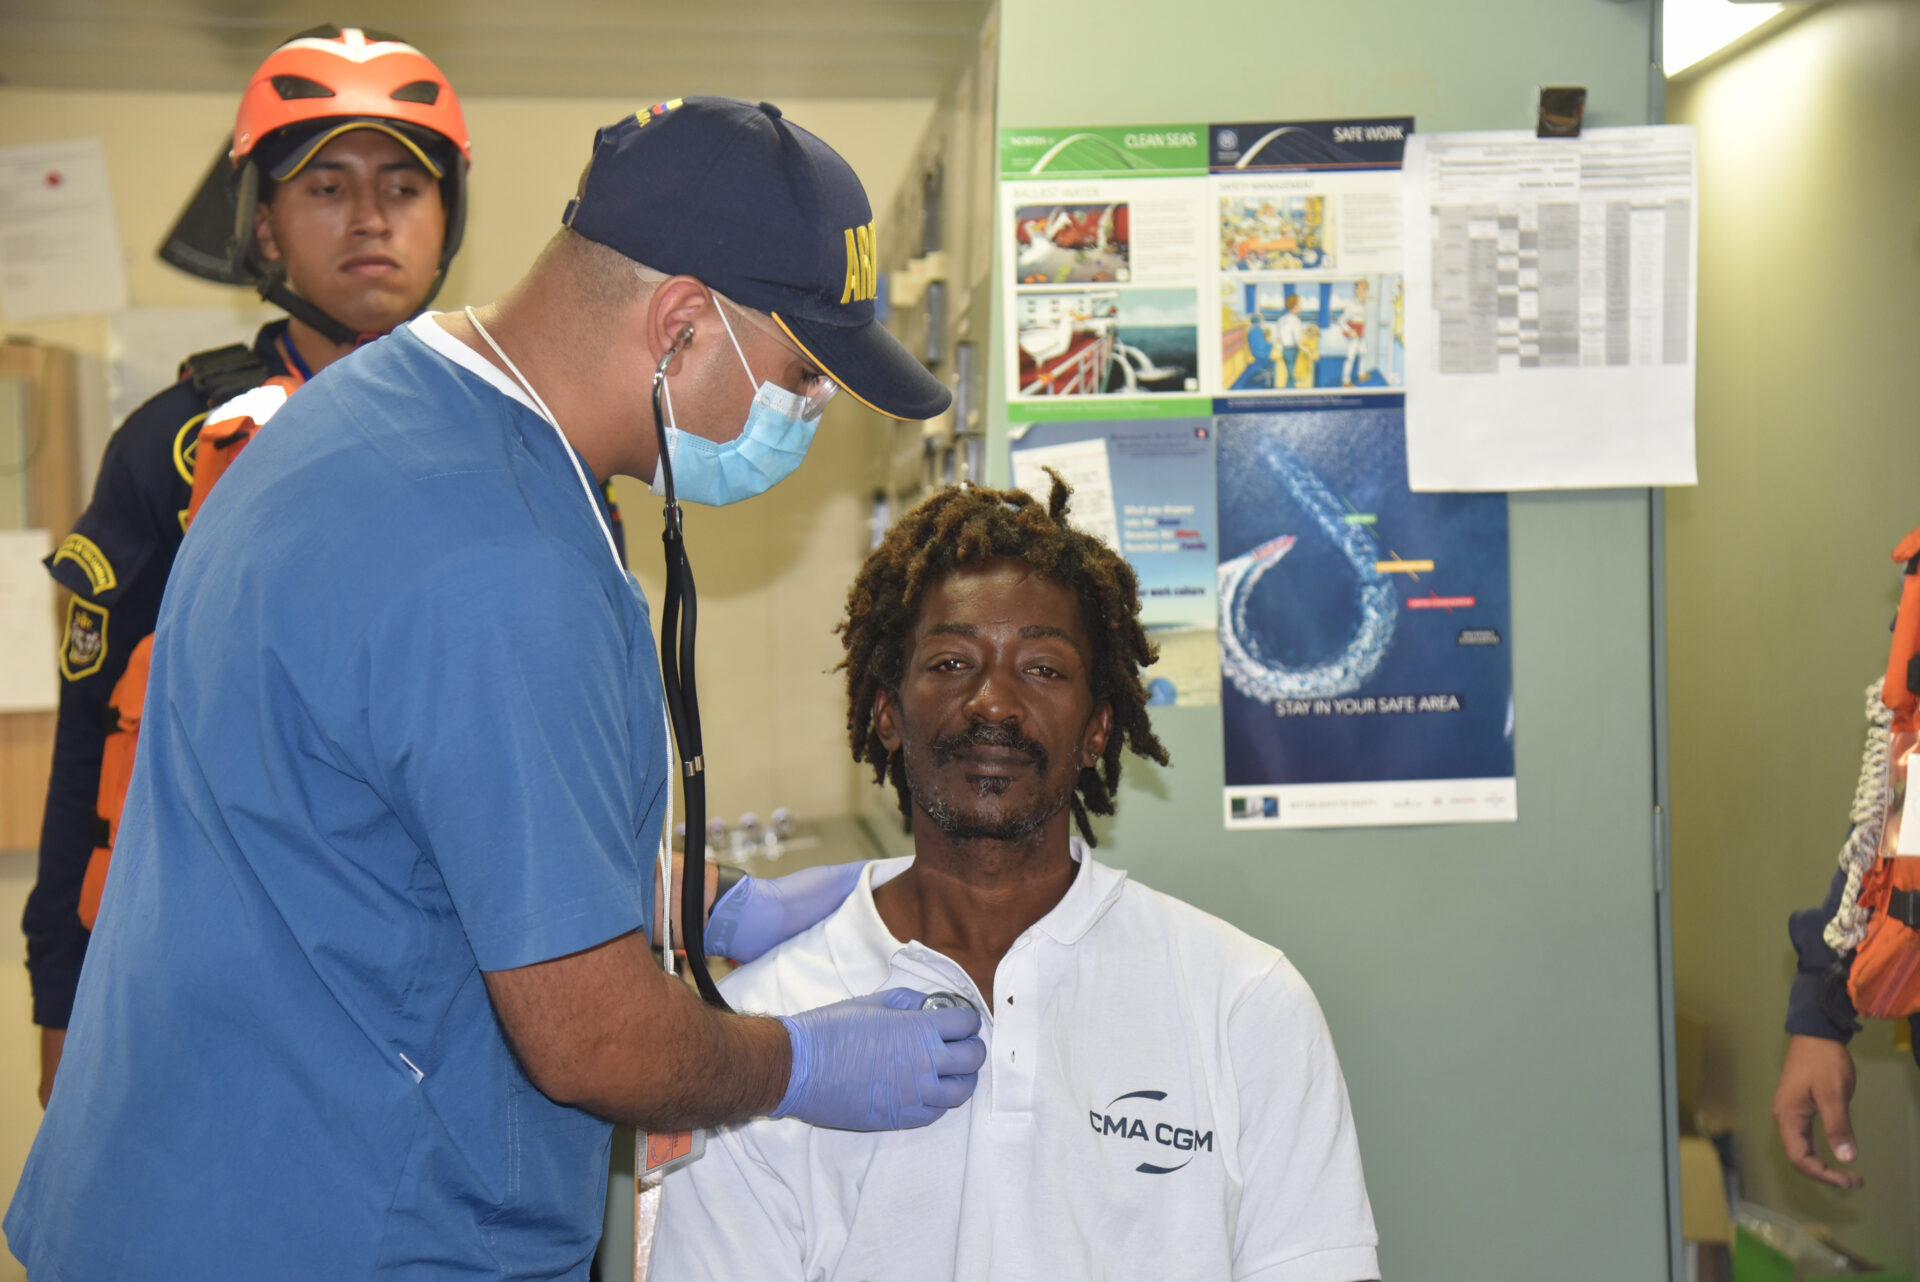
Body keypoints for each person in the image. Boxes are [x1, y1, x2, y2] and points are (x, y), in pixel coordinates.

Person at [5, 96, 985, 1280]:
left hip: (178, 1194)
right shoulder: (503, 559)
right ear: (680, 326)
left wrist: (701, 900)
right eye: (801, 375)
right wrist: (802, 1064)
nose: (810, 414)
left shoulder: (375, 415)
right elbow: (594, 1038)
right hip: (333, 1227)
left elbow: (387, 807)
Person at [650, 475, 1380, 1281]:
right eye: (954, 661)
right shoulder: (766, 1034)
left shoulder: (1243, 1003)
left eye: (1042, 668)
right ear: (887, 711)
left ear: (1099, 726)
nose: (992, 702)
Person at [21, 23, 476, 1108]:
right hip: (204, 992)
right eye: (326, 185)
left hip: (450, 992)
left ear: (447, 216)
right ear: (263, 227)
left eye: (404, 185)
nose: (371, 217)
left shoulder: (518, 437)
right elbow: (93, 743)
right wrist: (61, 999)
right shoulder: (174, 446)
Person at [1340, 277, 1370, 387]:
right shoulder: (1352, 304)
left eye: (1363, 289)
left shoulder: (1365, 303)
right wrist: (1350, 331)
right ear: (1355, 290)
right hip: (1353, 334)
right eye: (1358, 289)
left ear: (1366, 290)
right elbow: (1341, 320)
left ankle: (1361, 374)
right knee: (1350, 357)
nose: (1361, 291)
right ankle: (1345, 380)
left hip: (1361, 333)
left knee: (1363, 353)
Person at [1275, 291, 1305, 389]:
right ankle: (1290, 389)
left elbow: (1278, 337)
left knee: (1290, 371)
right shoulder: (1296, 320)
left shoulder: (1281, 319)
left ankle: (1290, 385)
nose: (1301, 306)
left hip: (1284, 349)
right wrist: (1306, 350)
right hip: (1292, 350)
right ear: (1295, 305)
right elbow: (1298, 340)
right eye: (1300, 304)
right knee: (1292, 373)